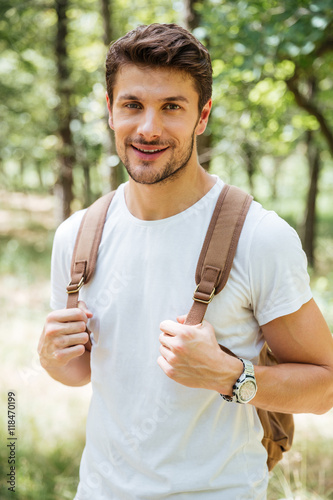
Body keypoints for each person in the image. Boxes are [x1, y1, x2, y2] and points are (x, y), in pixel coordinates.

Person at [38, 23, 333, 500]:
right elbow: (83, 371)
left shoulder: (259, 237)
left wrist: (228, 376)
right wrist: (51, 358)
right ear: (110, 111)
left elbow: (326, 386)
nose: (149, 128)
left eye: (171, 107)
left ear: (203, 116)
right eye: (132, 105)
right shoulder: (76, 236)